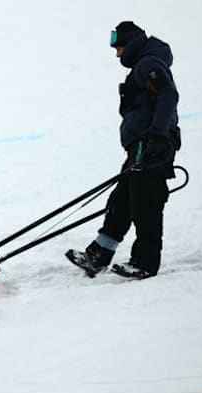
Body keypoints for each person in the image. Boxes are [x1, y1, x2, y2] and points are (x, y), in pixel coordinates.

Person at [66, 21, 180, 279]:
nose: (117, 54)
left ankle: (145, 262)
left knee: (145, 203)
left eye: (118, 48)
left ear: (130, 43)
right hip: (141, 146)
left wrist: (157, 135)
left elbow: (169, 95)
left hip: (152, 145)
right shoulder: (144, 65)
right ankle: (98, 256)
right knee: (122, 200)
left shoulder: (149, 64)